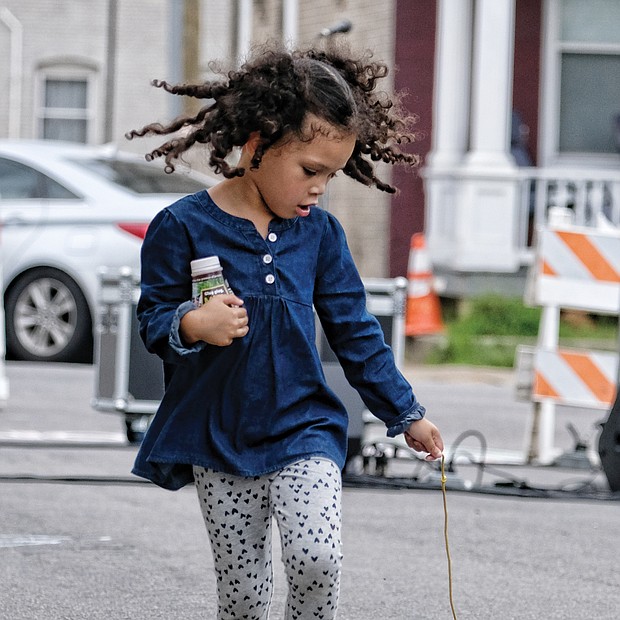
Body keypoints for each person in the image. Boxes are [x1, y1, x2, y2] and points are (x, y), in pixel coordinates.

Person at [126, 43, 444, 620]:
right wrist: (193, 322)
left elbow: (356, 332)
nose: (320, 187)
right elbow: (152, 319)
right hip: (217, 435)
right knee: (244, 599)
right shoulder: (181, 226)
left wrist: (407, 412)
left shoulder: (320, 235)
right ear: (257, 144)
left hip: (305, 426)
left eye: (331, 174)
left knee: (317, 558)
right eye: (310, 170)